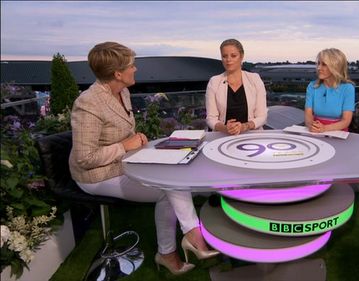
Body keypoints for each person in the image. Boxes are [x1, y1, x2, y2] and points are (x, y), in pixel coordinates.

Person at [69, 42, 218, 275]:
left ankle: (172, 250)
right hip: (95, 175)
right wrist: (124, 145)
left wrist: (135, 138)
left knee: (173, 180)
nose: (135, 69)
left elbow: (120, 131)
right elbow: (84, 159)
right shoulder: (88, 103)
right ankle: (188, 238)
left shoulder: (123, 91)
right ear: (118, 74)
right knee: (170, 188)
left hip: (125, 161)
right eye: (131, 65)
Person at [206, 38, 267, 135]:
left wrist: (244, 126)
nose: (228, 60)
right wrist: (225, 128)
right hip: (222, 137)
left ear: (241, 56)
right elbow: (211, 118)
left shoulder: (255, 79)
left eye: (233, 56)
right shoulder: (214, 82)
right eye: (224, 56)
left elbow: (262, 117)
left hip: (252, 135)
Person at [304, 48, 355, 133]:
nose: (319, 68)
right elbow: (308, 114)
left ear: (336, 67)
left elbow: (346, 121)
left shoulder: (348, 88)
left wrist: (324, 128)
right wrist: (311, 126)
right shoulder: (312, 86)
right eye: (318, 64)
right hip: (315, 132)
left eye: (324, 64)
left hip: (338, 134)